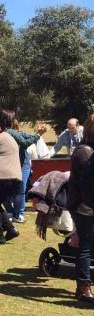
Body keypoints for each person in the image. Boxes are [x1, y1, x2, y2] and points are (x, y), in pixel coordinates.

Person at [0, 111, 46, 223]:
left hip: (17, 165)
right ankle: (15, 213)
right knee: (16, 191)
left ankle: (15, 213)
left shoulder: (18, 134)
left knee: (13, 191)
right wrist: (38, 134)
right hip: (14, 165)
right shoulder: (8, 134)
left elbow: (27, 140)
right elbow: (26, 142)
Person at [66, 117, 94, 303]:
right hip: (85, 206)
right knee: (86, 245)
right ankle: (83, 288)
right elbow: (87, 187)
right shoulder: (84, 152)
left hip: (88, 204)